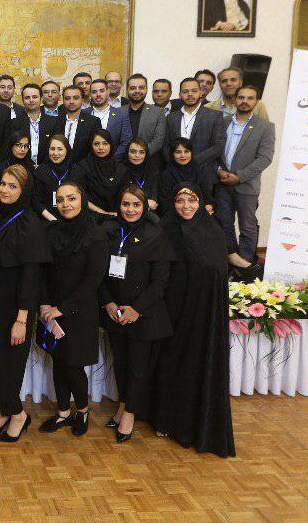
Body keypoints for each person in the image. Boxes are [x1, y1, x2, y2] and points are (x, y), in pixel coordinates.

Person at [150, 183, 235, 457]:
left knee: (194, 366)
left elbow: (217, 274)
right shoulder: (165, 229)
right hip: (171, 311)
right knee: (169, 363)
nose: (185, 206)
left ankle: (191, 425)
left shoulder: (213, 233)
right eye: (180, 201)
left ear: (201, 204)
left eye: (191, 200)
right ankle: (164, 420)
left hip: (200, 315)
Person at [0, 165, 50, 442]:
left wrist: (21, 319)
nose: (5, 190)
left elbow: (31, 278)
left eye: (12, 186)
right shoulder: (1, 216)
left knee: (9, 363)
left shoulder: (29, 223)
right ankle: (5, 410)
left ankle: (18, 414)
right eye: (3, 184)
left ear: (24, 191)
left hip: (16, 307)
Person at [99, 184, 173, 443]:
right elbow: (98, 273)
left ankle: (130, 414)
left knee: (138, 368)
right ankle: (122, 406)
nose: (130, 209)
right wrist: (108, 303)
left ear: (144, 207)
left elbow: (160, 281)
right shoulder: (108, 231)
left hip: (143, 315)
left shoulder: (156, 235)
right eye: (125, 204)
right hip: (115, 313)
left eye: (136, 205)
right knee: (120, 364)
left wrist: (137, 309)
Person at [38, 182, 110, 437]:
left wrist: (63, 308)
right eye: (60, 199)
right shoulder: (51, 230)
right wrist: (45, 303)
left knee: (73, 365)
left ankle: (82, 410)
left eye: (71, 198)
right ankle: (63, 413)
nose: (65, 204)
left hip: (79, 311)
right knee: (58, 362)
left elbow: (93, 280)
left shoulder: (96, 234)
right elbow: (43, 271)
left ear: (83, 200)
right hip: (51, 310)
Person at [214, 85, 275, 271]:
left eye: (250, 98)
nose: (245, 101)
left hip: (247, 185)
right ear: (235, 99)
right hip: (222, 182)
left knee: (247, 226)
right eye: (241, 97)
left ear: (256, 101)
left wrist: (239, 177)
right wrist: (218, 171)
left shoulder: (265, 127)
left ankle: (245, 267)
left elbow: (265, 158)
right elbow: (214, 151)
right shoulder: (222, 122)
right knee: (224, 224)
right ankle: (230, 263)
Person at [164, 77, 226, 168]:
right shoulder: (171, 117)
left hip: (203, 171)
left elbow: (218, 146)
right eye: (185, 91)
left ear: (200, 93)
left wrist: (192, 163)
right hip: (176, 170)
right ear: (180, 95)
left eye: (194, 91)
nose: (190, 94)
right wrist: (175, 163)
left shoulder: (215, 116)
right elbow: (166, 145)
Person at [72, 130, 125, 218]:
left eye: (105, 144)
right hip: (90, 216)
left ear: (111, 145)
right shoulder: (82, 167)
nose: (101, 148)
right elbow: (78, 196)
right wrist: (103, 213)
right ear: (91, 145)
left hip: (117, 216)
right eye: (96, 144)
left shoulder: (121, 169)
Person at [160, 138, 215, 211]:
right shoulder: (167, 175)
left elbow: (208, 199)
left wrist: (207, 207)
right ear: (172, 154)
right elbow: (165, 204)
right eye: (178, 152)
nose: (183, 155)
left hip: (199, 212)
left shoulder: (199, 171)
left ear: (191, 153)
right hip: (176, 214)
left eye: (186, 151)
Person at [31, 134, 76, 221]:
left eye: (60, 149)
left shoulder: (75, 171)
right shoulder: (40, 172)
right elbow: (37, 202)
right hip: (47, 219)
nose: (55, 153)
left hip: (72, 218)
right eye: (52, 149)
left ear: (67, 151)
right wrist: (53, 220)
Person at [125, 74, 167, 161]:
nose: (137, 91)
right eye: (133, 88)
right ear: (127, 90)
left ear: (146, 90)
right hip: (123, 163)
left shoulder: (158, 112)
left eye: (141, 87)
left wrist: (140, 155)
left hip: (149, 163)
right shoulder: (119, 111)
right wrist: (126, 156)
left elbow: (158, 141)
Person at [87, 80, 131, 160]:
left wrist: (111, 160)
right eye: (94, 92)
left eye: (102, 91)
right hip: (88, 163)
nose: (98, 94)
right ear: (90, 94)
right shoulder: (83, 113)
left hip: (114, 162)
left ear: (108, 92)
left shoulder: (121, 114)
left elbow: (126, 141)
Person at [19, 83, 61, 165]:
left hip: (47, 168)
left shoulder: (53, 122)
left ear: (41, 98)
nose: (31, 100)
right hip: (22, 167)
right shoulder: (15, 122)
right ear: (23, 100)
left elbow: (56, 148)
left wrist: (43, 168)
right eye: (27, 97)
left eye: (35, 97)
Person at [58, 84, 100, 163]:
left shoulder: (93, 122)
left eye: (76, 98)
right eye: (67, 98)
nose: (71, 102)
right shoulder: (56, 121)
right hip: (58, 167)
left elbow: (95, 149)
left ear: (82, 100)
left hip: (84, 167)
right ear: (63, 100)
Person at [124, 139, 160, 215]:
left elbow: (154, 203)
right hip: (127, 213)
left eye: (141, 152)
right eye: (133, 152)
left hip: (149, 214)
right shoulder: (121, 171)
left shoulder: (153, 172)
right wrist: (145, 203)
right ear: (127, 153)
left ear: (146, 154)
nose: (137, 155)